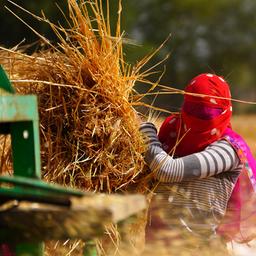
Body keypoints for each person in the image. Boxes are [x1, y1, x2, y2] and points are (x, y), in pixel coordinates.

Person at [139, 73, 256, 255]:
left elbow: (167, 170)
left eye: (210, 112)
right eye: (194, 110)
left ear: (225, 109)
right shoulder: (172, 135)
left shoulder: (229, 149)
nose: (201, 118)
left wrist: (146, 132)